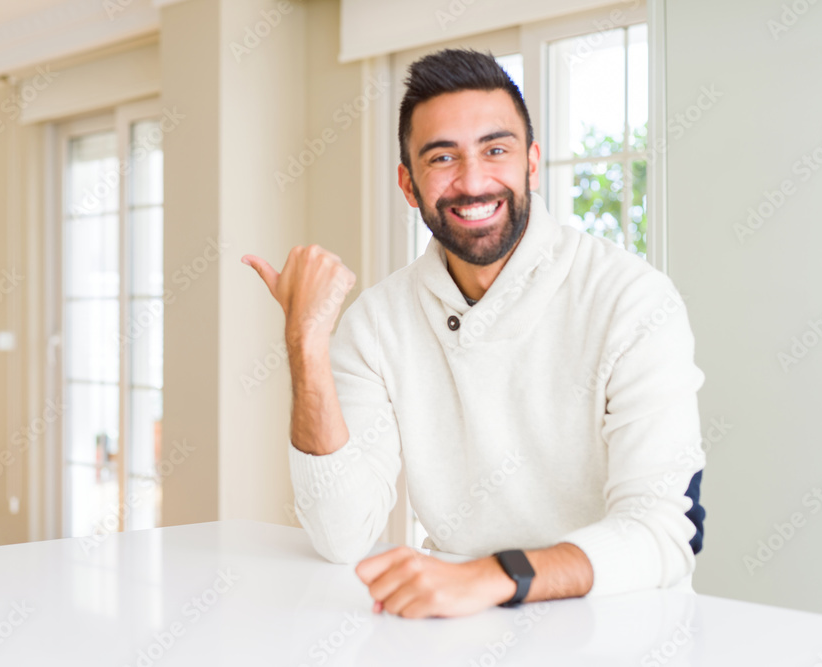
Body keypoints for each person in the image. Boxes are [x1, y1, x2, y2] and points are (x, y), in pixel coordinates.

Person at [242, 48, 706, 619]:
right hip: (457, 624)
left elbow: (664, 532)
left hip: (620, 626)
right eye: (442, 158)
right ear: (408, 184)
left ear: (532, 163)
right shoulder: (377, 322)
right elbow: (341, 535)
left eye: (496, 150)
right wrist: (305, 342)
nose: (473, 180)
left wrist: (491, 576)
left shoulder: (633, 299)